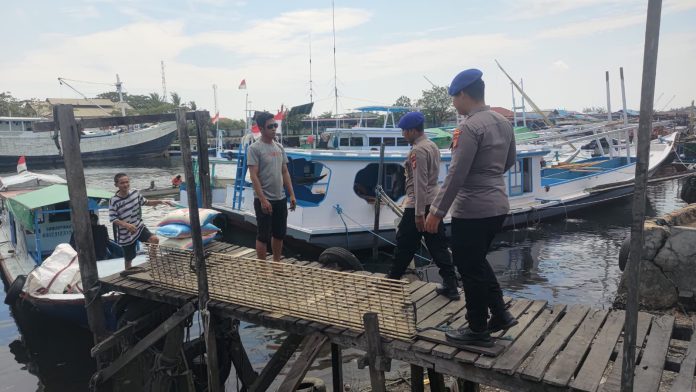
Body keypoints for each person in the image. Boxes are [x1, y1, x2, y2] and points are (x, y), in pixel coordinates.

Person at [424, 69, 518, 347]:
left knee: (468, 267)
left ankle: (477, 329)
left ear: (463, 94)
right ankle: (500, 314)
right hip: (498, 204)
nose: (453, 103)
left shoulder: (469, 127)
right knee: (477, 261)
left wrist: (436, 211)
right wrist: (488, 175)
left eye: (454, 97)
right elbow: (509, 161)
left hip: (473, 209)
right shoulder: (503, 122)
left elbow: (456, 173)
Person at [387, 112, 460, 300]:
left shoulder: (417, 150)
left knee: (404, 243)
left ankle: (392, 280)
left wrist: (419, 213)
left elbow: (420, 182)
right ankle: (451, 285)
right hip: (433, 203)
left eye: (404, 131)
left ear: (412, 130)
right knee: (438, 246)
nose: (403, 134)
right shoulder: (432, 145)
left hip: (418, 205)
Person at [247, 111, 297, 261]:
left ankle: (276, 263)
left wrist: (292, 195)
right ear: (261, 128)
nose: (274, 129)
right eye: (270, 126)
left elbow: (285, 172)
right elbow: (253, 175)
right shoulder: (255, 149)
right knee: (263, 236)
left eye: (275, 125)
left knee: (279, 233)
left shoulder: (279, 148)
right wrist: (262, 200)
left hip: (280, 198)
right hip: (264, 199)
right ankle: (262, 268)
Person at [110, 173, 172, 269]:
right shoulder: (114, 200)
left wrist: (160, 201)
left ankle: (153, 264)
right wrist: (127, 225)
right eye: (122, 183)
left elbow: (146, 202)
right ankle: (128, 273)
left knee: (154, 239)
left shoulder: (135, 193)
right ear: (116, 185)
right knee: (129, 259)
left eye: (127, 182)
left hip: (138, 226)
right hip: (126, 233)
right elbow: (113, 219)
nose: (125, 185)